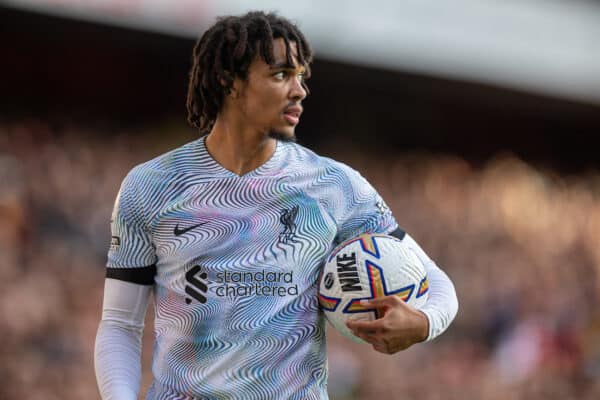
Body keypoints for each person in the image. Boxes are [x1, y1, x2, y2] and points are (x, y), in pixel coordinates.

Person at [94, 11, 458, 400]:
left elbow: (437, 284)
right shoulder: (151, 185)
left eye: (302, 76)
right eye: (282, 74)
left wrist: (421, 322)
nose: (300, 90)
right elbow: (120, 324)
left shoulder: (334, 186)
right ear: (229, 81)